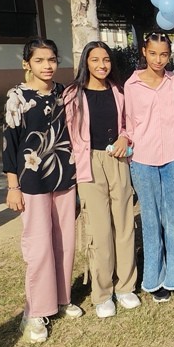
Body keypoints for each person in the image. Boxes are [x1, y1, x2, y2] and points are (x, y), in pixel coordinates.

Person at [3, 38, 81, 343]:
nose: (47, 66)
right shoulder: (17, 97)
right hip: (32, 181)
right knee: (39, 246)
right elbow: (10, 143)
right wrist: (13, 186)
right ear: (27, 63)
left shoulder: (65, 93)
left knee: (65, 242)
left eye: (51, 60)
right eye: (39, 60)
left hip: (65, 177)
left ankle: (61, 299)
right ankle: (35, 311)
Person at [64, 41, 139, 318]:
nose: (101, 65)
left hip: (117, 160)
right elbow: (67, 134)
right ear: (86, 62)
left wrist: (124, 137)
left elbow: (128, 125)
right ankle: (103, 293)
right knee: (99, 229)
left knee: (124, 224)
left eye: (106, 59)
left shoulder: (118, 91)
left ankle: (126, 286)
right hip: (89, 164)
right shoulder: (73, 95)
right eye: (95, 60)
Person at [124, 32, 174, 303]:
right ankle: (153, 278)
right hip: (143, 160)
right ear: (144, 52)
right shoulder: (131, 85)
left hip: (173, 158)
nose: (158, 59)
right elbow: (128, 123)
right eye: (153, 53)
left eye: (164, 54)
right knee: (151, 220)